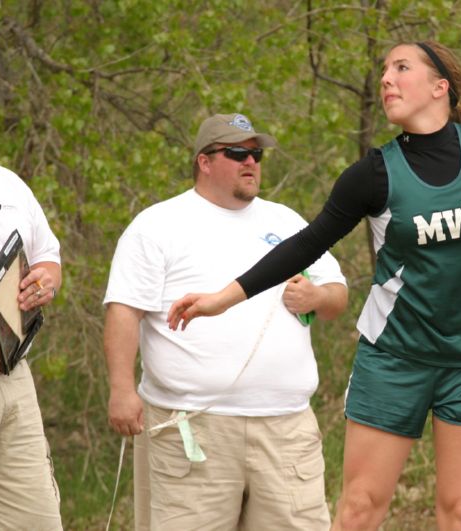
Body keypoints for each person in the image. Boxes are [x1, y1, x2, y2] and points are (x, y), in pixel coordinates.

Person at [168, 41, 461, 531]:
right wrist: (221, 300)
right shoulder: (374, 173)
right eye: (383, 70)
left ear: (440, 87)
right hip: (395, 358)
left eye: (401, 68)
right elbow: (306, 244)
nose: (386, 79)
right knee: (359, 509)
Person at [103, 112, 348, 530]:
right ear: (204, 161)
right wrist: (122, 389)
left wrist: (316, 295)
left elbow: (337, 294)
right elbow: (124, 309)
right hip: (194, 425)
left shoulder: (286, 222)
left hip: (286, 427)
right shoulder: (157, 225)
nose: (251, 162)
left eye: (256, 154)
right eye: (238, 153)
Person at [0, 74, 63, 529]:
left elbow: (48, 257)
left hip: (15, 376)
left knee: (34, 519)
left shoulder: (9, 185)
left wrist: (45, 281)